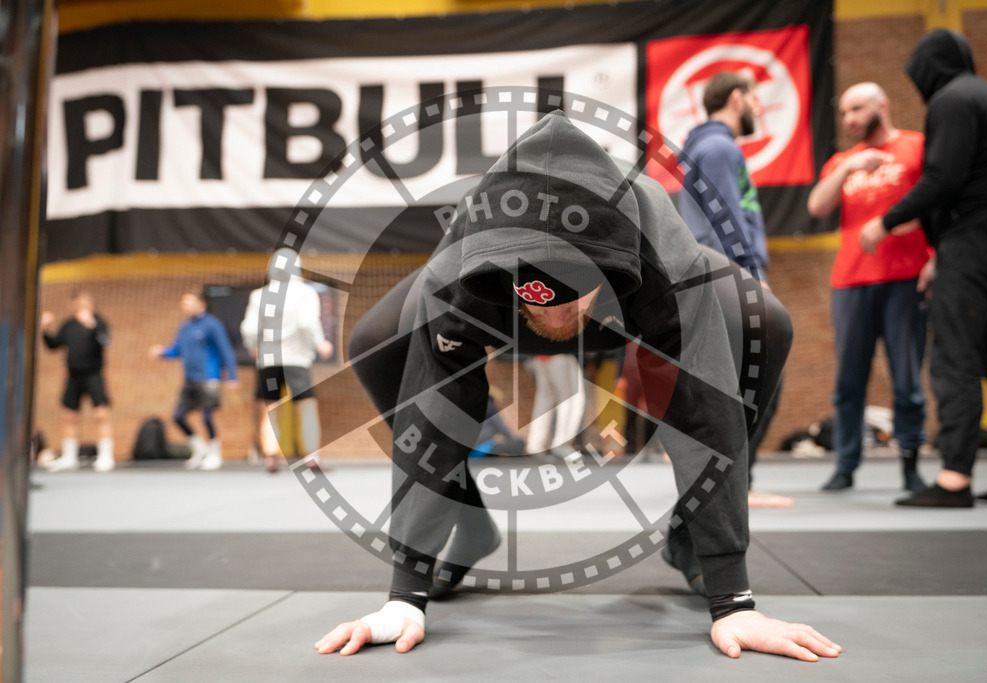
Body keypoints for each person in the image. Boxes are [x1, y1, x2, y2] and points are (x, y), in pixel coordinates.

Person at [315, 111, 840, 661]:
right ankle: (467, 523)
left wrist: (733, 599)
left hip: (635, 285)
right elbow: (435, 414)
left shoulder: (664, 258)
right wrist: (405, 595)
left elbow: (701, 409)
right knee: (374, 345)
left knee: (767, 324)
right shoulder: (462, 272)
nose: (559, 316)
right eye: (543, 297)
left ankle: (691, 533)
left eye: (572, 299)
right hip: (500, 299)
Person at [860, 29, 987, 507]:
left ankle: (955, 478)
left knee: (955, 358)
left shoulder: (952, 99)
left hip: (972, 240)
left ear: (931, 67)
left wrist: (886, 222)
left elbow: (944, 178)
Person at [807, 82, 933, 493]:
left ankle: (911, 465)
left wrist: (934, 256)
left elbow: (937, 203)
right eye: (845, 112)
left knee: (907, 381)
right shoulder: (844, 161)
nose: (850, 119)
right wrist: (846, 170)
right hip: (851, 282)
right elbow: (817, 206)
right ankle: (845, 465)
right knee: (848, 381)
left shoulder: (917, 147)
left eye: (857, 109)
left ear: (883, 105)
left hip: (905, 278)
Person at [677, 71, 792, 508]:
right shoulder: (720, 147)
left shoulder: (703, 146)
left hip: (718, 276)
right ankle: (732, 485)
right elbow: (728, 219)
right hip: (732, 277)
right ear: (738, 98)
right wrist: (750, 276)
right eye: (756, 100)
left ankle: (733, 483)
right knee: (759, 383)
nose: (759, 109)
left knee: (744, 384)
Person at [241, 248, 333, 472]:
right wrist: (320, 342)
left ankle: (271, 456)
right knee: (307, 407)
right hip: (296, 361)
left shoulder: (258, 295)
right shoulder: (305, 292)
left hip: (268, 362)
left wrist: (254, 348)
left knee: (271, 409)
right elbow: (306, 322)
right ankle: (311, 457)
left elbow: (250, 328)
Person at [149, 289, 238, 470]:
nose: (185, 307)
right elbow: (177, 350)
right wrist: (162, 352)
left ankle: (215, 453)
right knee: (178, 417)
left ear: (201, 305)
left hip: (209, 378)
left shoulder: (213, 325)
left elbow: (225, 350)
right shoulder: (184, 327)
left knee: (206, 416)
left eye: (189, 303)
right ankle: (200, 449)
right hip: (190, 379)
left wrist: (232, 376)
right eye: (184, 303)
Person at [40, 291, 115, 472]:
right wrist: (45, 329)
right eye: (74, 304)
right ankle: (69, 457)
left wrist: (92, 325)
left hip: (93, 374)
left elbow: (105, 342)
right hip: (73, 375)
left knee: (100, 414)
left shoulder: (99, 322)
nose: (77, 307)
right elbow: (53, 344)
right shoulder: (69, 325)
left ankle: (106, 456)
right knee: (69, 415)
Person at [523, 354, 586, 458]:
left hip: (539, 355)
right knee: (571, 400)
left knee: (544, 399)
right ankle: (561, 445)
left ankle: (535, 444)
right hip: (561, 353)